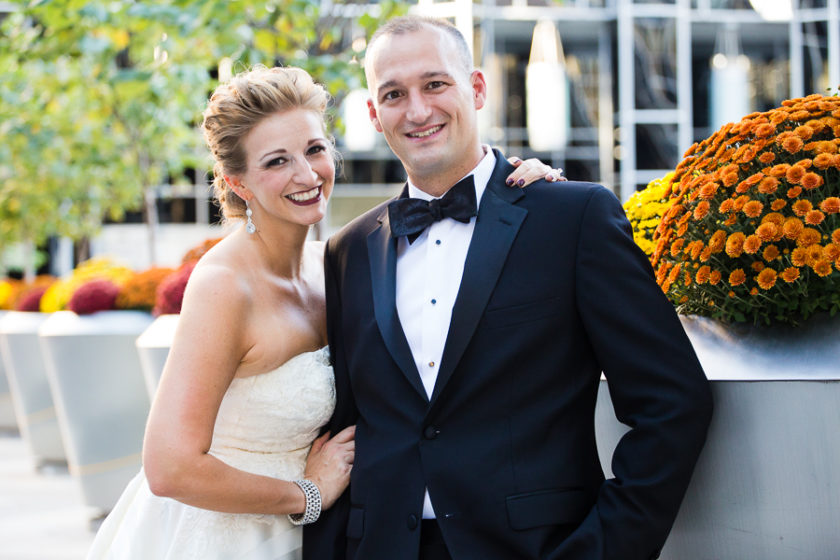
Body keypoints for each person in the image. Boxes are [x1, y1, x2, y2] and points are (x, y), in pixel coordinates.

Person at [86, 65, 561, 559]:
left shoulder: (339, 259)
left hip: (318, 537)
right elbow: (169, 467)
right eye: (276, 162)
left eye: (314, 150)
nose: (307, 174)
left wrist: (514, 181)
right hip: (223, 537)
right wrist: (307, 495)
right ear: (238, 183)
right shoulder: (223, 286)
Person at [306, 15, 713, 560]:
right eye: (394, 94)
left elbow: (673, 403)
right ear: (374, 115)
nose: (418, 110)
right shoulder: (348, 250)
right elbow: (352, 429)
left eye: (435, 84)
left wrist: (604, 549)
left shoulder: (573, 218)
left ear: (475, 89)